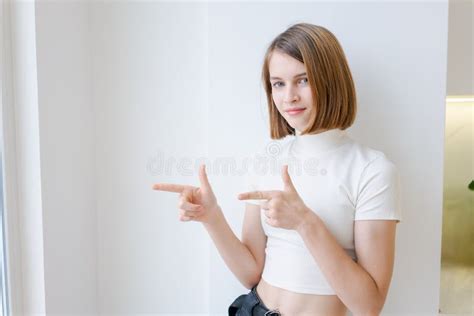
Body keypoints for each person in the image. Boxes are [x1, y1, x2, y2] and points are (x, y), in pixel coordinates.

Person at [152, 22, 402, 316]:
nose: (289, 97)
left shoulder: (372, 171)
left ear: (331, 80)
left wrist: (305, 222)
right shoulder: (267, 159)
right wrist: (212, 217)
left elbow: (369, 305)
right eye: (278, 83)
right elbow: (251, 273)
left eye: (303, 80)